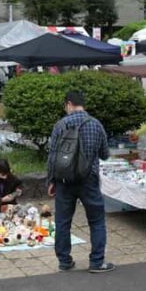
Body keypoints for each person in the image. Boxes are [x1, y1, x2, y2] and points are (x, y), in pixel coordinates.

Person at [47, 90, 114, 274]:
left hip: (64, 180)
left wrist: (51, 180)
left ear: (69, 104)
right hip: (88, 179)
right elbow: (105, 154)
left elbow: (52, 156)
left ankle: (65, 261)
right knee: (97, 221)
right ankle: (97, 262)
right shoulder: (95, 124)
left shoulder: (60, 125)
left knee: (63, 221)